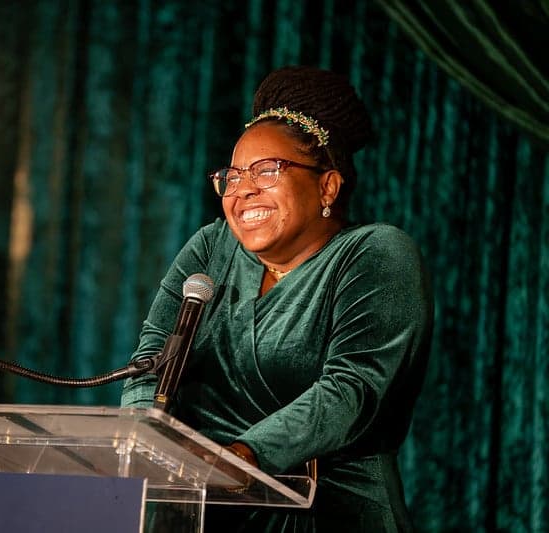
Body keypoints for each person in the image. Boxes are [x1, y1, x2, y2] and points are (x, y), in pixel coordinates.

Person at [120, 65, 433, 532]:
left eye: (268, 171)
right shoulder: (212, 247)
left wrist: (240, 458)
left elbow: (351, 391)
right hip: (198, 510)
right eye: (232, 175)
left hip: (328, 513)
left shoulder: (377, 253)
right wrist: (144, 436)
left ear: (327, 184)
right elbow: (151, 360)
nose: (242, 189)